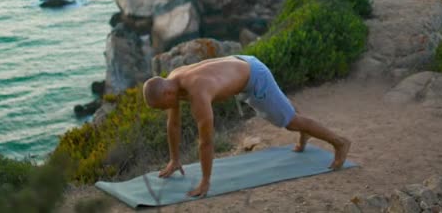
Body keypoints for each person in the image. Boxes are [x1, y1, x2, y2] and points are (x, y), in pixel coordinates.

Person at [142, 55, 351, 197]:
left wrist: (205, 181)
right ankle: (305, 133)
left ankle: (339, 142)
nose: (165, 111)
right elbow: (174, 124)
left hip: (254, 77)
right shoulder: (172, 81)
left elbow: (206, 141)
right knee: (286, 113)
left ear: (167, 94)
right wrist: (174, 159)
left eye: (162, 107)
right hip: (242, 63)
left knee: (289, 122)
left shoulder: (198, 92)